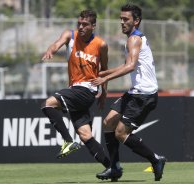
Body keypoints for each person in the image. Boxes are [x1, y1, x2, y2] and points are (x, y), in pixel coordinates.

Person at [91, 3, 166, 182]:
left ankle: (156, 159)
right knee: (108, 122)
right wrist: (103, 73)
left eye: (126, 19)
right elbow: (127, 66)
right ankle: (115, 168)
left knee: (120, 133)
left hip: (144, 96)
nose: (122, 22)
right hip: (135, 93)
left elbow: (130, 66)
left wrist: (105, 79)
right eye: (121, 19)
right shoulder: (132, 38)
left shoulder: (134, 39)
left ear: (136, 21)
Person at [41, 9, 111, 170]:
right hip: (76, 90)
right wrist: (51, 50)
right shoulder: (70, 35)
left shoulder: (101, 45)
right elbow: (56, 43)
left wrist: (104, 93)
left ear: (93, 26)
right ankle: (111, 168)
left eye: (85, 24)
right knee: (85, 134)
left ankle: (67, 141)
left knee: (47, 104)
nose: (81, 27)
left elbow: (105, 70)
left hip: (87, 90)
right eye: (79, 23)